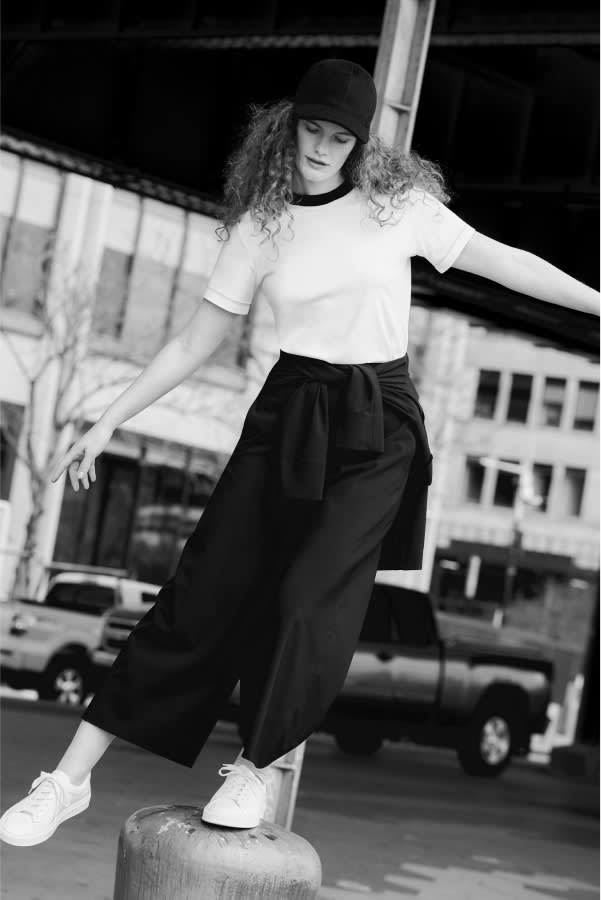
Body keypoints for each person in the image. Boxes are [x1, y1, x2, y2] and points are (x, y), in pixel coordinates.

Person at [1, 58, 598, 848]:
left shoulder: (398, 208)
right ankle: (67, 780)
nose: (322, 147)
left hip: (379, 423)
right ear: (287, 126)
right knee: (200, 591)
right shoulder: (260, 226)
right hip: (288, 411)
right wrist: (109, 419)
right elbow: (192, 341)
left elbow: (507, 263)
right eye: (312, 129)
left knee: (309, 598)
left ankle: (255, 767)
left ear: (361, 145)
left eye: (340, 137)